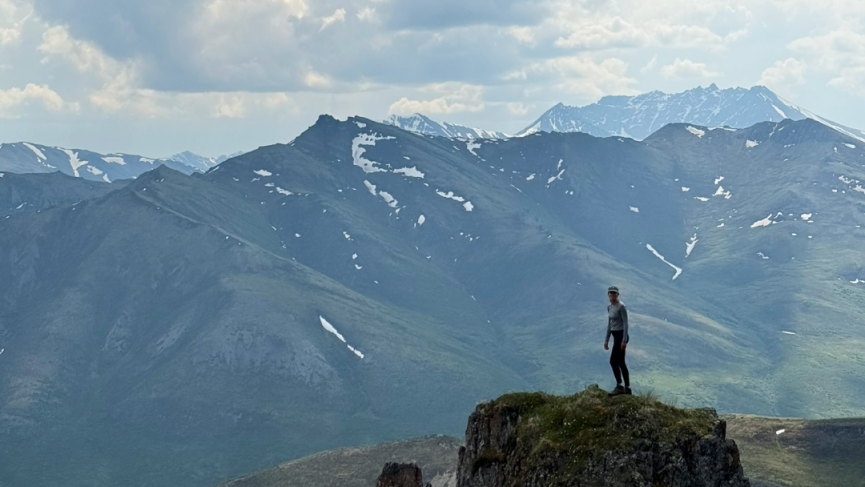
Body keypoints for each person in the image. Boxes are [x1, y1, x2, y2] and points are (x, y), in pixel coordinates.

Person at [604, 286, 631, 396]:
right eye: (610, 293)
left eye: (614, 293)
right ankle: (627, 388)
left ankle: (620, 386)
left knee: (613, 361)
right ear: (608, 295)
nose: (612, 295)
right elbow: (609, 324)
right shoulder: (609, 307)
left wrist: (624, 340)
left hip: (621, 335)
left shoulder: (621, 307)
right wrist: (606, 339)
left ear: (617, 295)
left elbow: (625, 324)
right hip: (615, 335)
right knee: (620, 362)